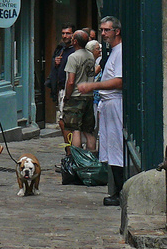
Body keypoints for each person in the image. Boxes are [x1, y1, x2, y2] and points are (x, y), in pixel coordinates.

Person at [78, 15, 124, 206]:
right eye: (102, 30)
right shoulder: (111, 52)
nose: (103, 34)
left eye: (107, 30)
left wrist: (93, 87)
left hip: (114, 102)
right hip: (107, 104)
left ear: (117, 31)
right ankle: (117, 190)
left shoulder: (120, 52)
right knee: (109, 146)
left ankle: (120, 191)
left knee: (116, 147)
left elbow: (120, 81)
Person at [61, 30, 96, 152]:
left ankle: (76, 158)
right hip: (89, 96)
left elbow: (71, 81)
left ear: (75, 41)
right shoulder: (90, 55)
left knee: (75, 129)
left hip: (76, 96)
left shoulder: (73, 57)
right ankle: (91, 157)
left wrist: (67, 96)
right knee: (88, 130)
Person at [45, 25, 75, 134]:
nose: (65, 36)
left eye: (68, 33)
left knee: (66, 120)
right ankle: (69, 147)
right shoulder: (61, 49)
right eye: (63, 33)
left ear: (73, 35)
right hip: (61, 88)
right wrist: (56, 63)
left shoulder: (75, 51)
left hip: (71, 89)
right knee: (63, 120)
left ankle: (70, 148)